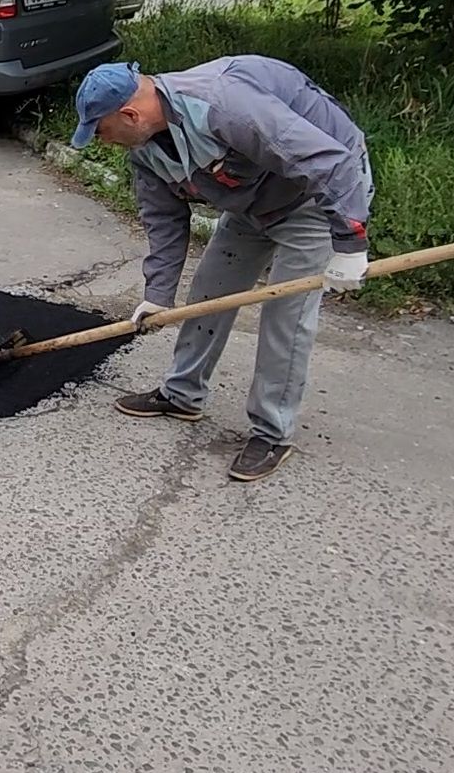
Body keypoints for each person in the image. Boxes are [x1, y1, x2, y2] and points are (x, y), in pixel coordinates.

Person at [69, 56, 374, 482]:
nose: (102, 142)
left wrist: (350, 243)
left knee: (285, 316)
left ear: (130, 114)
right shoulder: (145, 151)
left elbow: (329, 161)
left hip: (313, 201)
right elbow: (164, 221)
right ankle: (182, 394)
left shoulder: (224, 106)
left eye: (100, 131)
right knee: (208, 295)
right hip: (251, 208)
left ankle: (272, 432)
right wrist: (157, 296)